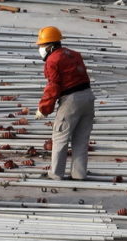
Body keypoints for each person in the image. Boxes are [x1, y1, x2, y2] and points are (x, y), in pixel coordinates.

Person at [35, 26, 94, 181]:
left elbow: (53, 86)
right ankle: (79, 174)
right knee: (81, 140)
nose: (40, 49)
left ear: (51, 45)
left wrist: (44, 108)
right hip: (88, 98)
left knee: (60, 137)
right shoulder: (73, 55)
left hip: (71, 101)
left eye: (42, 45)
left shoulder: (53, 59)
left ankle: (55, 175)